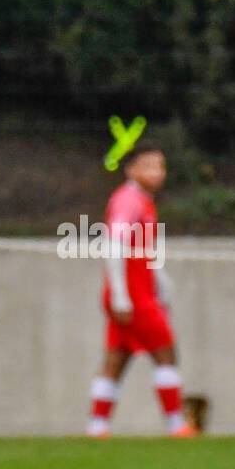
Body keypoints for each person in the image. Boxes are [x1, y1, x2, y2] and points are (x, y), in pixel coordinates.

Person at [87, 144, 193, 438]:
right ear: (130, 169)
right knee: (166, 354)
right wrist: (121, 294)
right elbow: (114, 244)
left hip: (138, 292)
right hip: (134, 297)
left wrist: (160, 279)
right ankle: (176, 425)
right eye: (148, 166)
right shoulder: (128, 200)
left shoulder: (144, 201)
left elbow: (142, 250)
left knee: (116, 358)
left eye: (160, 166)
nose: (157, 173)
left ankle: (97, 428)